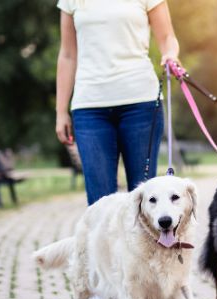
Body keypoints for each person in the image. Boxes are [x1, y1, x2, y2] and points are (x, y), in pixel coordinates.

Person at [55, 0, 181, 205]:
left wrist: (170, 54)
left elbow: (167, 37)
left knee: (144, 201)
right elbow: (68, 54)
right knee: (100, 204)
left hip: (141, 104)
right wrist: (61, 111)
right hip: (90, 108)